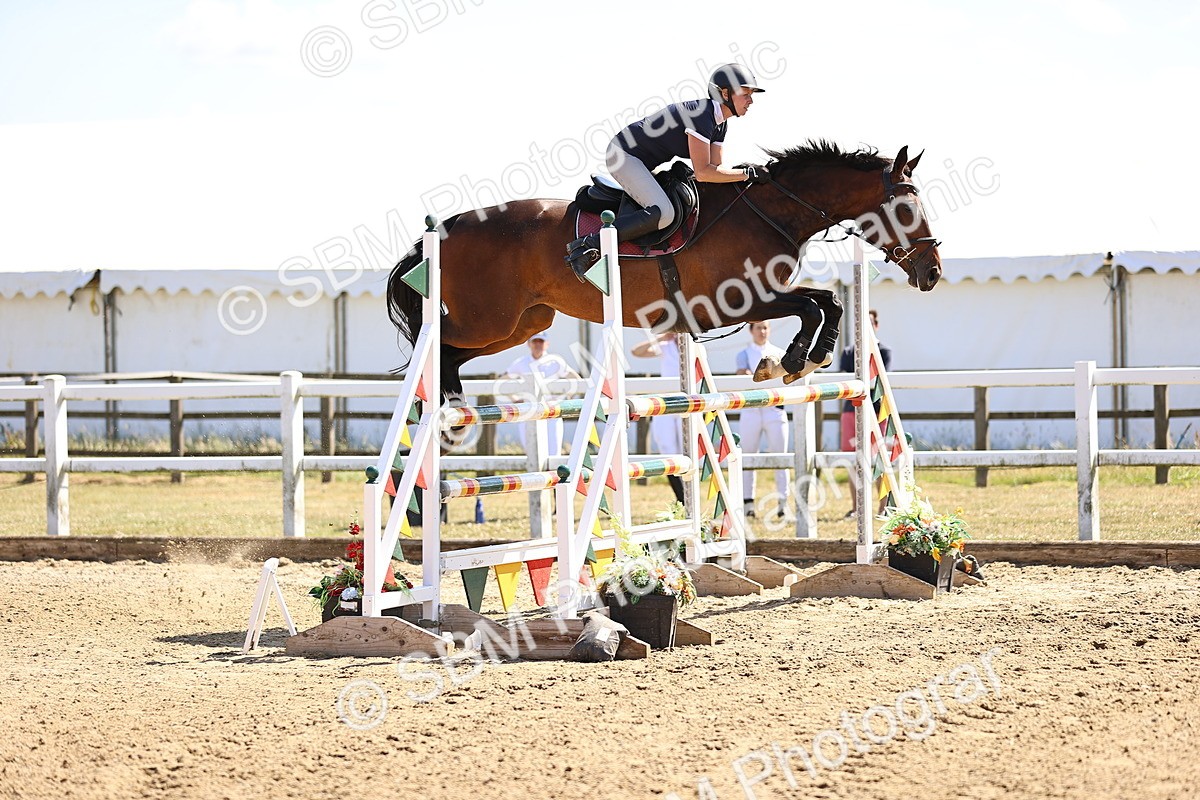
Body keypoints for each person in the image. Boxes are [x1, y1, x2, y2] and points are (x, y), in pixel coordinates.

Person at [566, 63, 770, 278]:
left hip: (640, 161)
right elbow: (703, 173)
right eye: (745, 94)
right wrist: (747, 174)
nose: (750, 100)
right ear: (725, 93)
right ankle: (586, 246)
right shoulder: (702, 116)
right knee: (664, 213)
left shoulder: (719, 123)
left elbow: (716, 170)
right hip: (622, 155)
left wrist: (747, 172)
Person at [839, 309, 892, 518]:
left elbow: (879, 382)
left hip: (878, 411)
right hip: (851, 411)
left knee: (880, 458)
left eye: (869, 323)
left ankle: (883, 507)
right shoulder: (848, 352)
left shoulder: (884, 351)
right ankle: (856, 508)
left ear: (876, 326)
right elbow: (846, 380)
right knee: (853, 460)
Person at [735, 322, 790, 518]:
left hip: (774, 408)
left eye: (765, 327)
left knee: (780, 455)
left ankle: (783, 502)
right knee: (748, 455)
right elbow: (742, 375)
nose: (762, 331)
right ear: (751, 331)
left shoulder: (780, 352)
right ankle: (748, 502)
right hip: (751, 409)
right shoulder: (743, 354)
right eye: (758, 328)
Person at [504, 332, 580, 456]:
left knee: (553, 451)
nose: (538, 344)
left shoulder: (555, 361)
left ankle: (554, 475)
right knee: (531, 453)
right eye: (535, 341)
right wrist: (515, 399)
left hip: (551, 411)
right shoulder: (521, 362)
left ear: (547, 344)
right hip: (528, 411)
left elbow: (575, 378)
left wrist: (568, 397)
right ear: (529, 344)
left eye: (541, 341)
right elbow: (503, 381)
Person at [631, 332, 685, 504]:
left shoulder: (694, 345)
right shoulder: (665, 346)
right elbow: (636, 351)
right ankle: (681, 499)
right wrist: (661, 338)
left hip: (688, 401)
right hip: (668, 403)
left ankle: (689, 497)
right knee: (667, 448)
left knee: (687, 450)